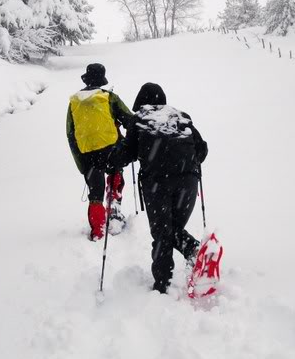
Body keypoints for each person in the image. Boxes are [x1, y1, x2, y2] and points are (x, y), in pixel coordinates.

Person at [112, 83, 208, 294]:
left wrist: (113, 153)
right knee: (171, 229)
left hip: (158, 183)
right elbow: (202, 149)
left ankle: (163, 285)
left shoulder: (140, 119)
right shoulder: (181, 116)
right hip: (188, 181)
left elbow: (125, 155)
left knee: (163, 234)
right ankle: (195, 253)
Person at [66, 63, 133, 241]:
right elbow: (130, 120)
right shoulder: (109, 97)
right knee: (115, 174)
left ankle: (98, 231)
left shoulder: (74, 102)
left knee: (95, 193)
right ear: (102, 80)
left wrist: (81, 163)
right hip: (111, 150)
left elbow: (70, 134)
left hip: (88, 154)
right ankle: (114, 213)